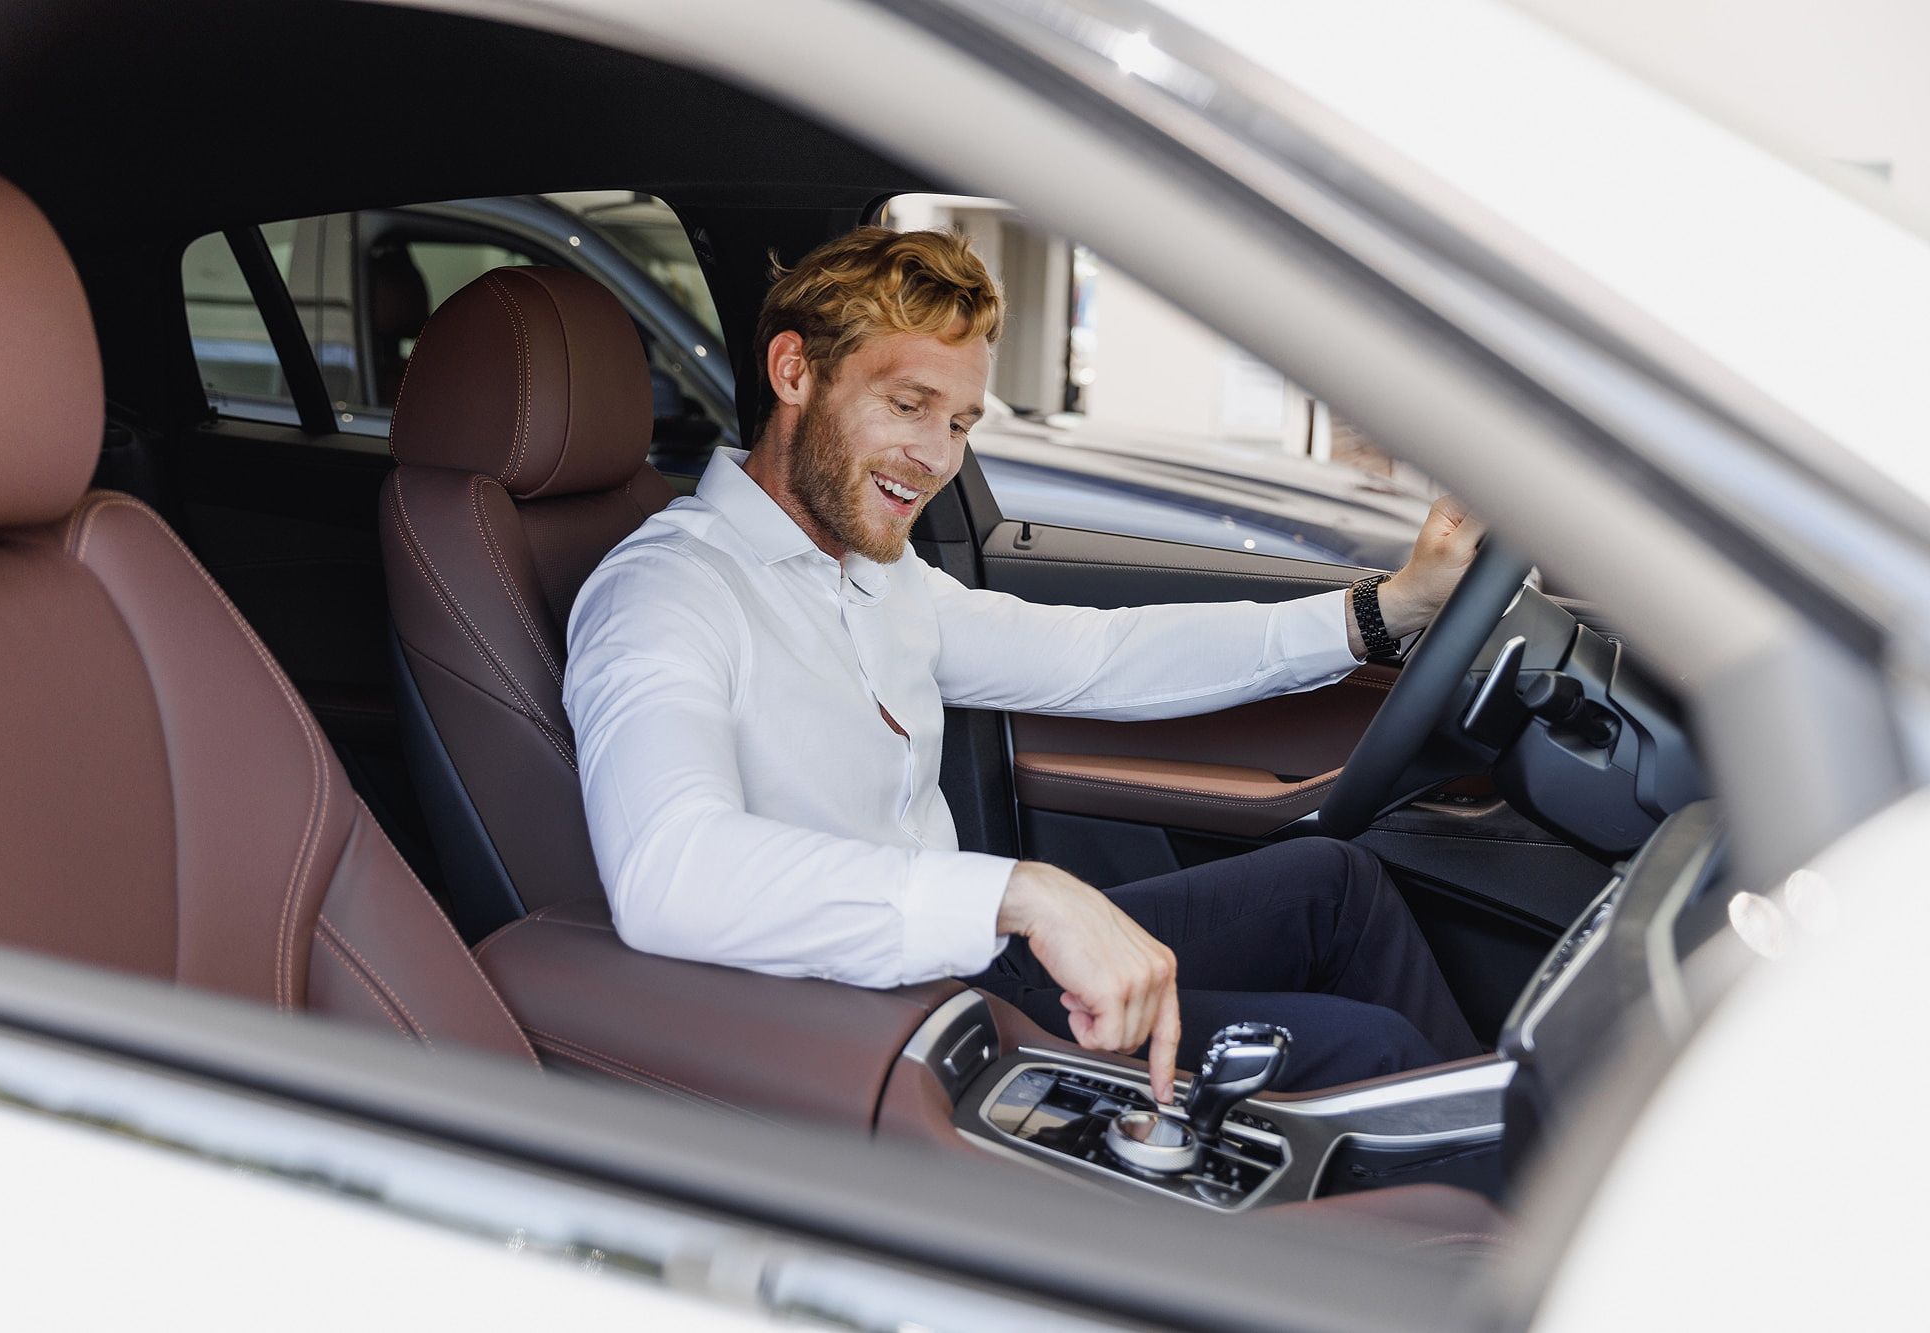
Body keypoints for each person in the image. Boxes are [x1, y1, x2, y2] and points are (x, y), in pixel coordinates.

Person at [563, 227, 1484, 1101]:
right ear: (795, 371)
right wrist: (1021, 894)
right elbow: (669, 872)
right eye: (907, 405)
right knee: (1380, 1053)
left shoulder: (877, 579)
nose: (934, 458)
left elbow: (1100, 658)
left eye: (960, 421)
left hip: (968, 967)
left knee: (1337, 885)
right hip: (875, 1026)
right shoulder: (667, 590)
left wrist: (1384, 609)